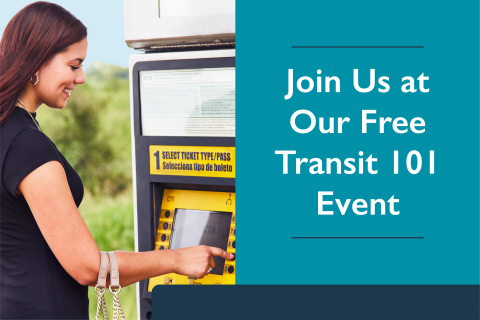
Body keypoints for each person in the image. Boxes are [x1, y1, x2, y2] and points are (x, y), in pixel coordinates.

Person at [0, 2, 234, 319]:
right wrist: (176, 259)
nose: (80, 78)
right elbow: (88, 267)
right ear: (37, 61)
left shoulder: (9, 130)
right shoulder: (26, 144)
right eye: (73, 65)